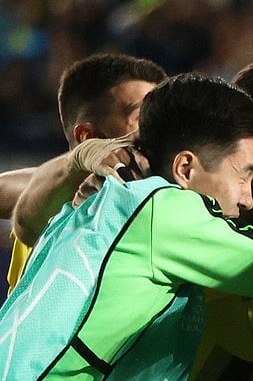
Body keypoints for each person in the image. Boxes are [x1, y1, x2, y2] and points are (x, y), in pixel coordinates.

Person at [0, 73, 253, 381]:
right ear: (185, 168)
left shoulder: (109, 203)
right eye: (245, 174)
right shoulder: (163, 211)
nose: (249, 199)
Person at [8, 53, 168, 294]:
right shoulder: (55, 210)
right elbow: (27, 220)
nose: (159, 128)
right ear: (86, 138)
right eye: (142, 117)